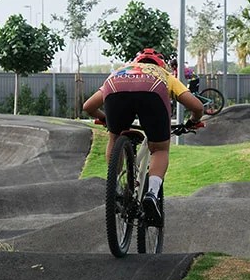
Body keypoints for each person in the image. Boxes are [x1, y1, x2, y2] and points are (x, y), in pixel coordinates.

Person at [83, 48, 204, 225]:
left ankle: (114, 186)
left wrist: (105, 119)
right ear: (160, 64)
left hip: (115, 92)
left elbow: (88, 106)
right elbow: (198, 107)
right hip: (153, 95)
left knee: (115, 137)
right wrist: (193, 121)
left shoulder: (120, 72)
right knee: (160, 149)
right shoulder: (163, 74)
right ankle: (152, 194)